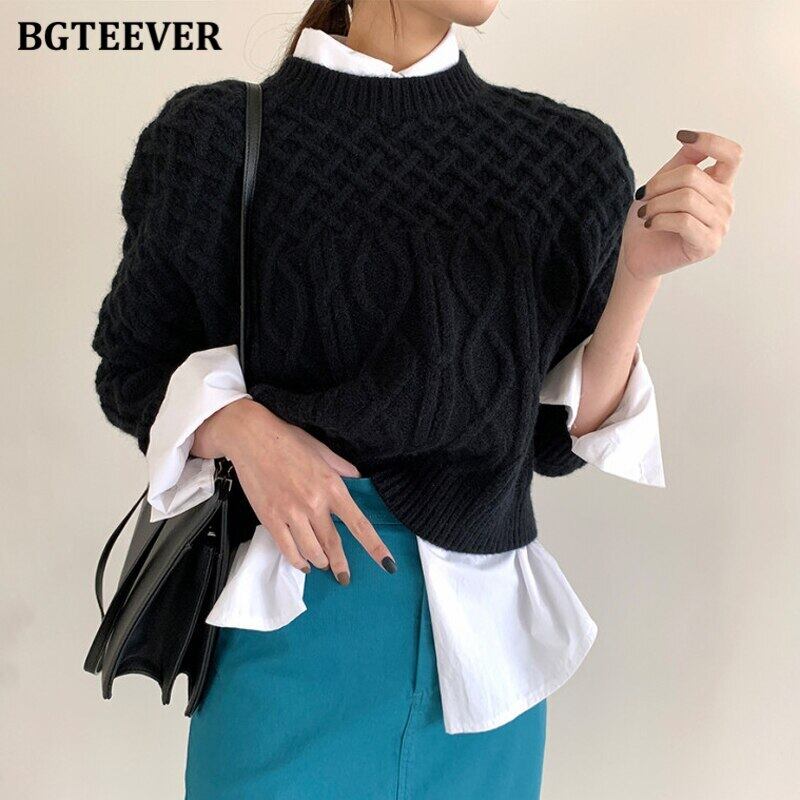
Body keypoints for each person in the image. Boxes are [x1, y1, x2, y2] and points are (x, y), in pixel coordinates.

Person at [91, 1, 741, 797]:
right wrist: (242, 428)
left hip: (484, 662)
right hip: (293, 626)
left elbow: (556, 440)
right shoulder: (216, 138)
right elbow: (132, 366)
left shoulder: (564, 156)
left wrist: (639, 272)